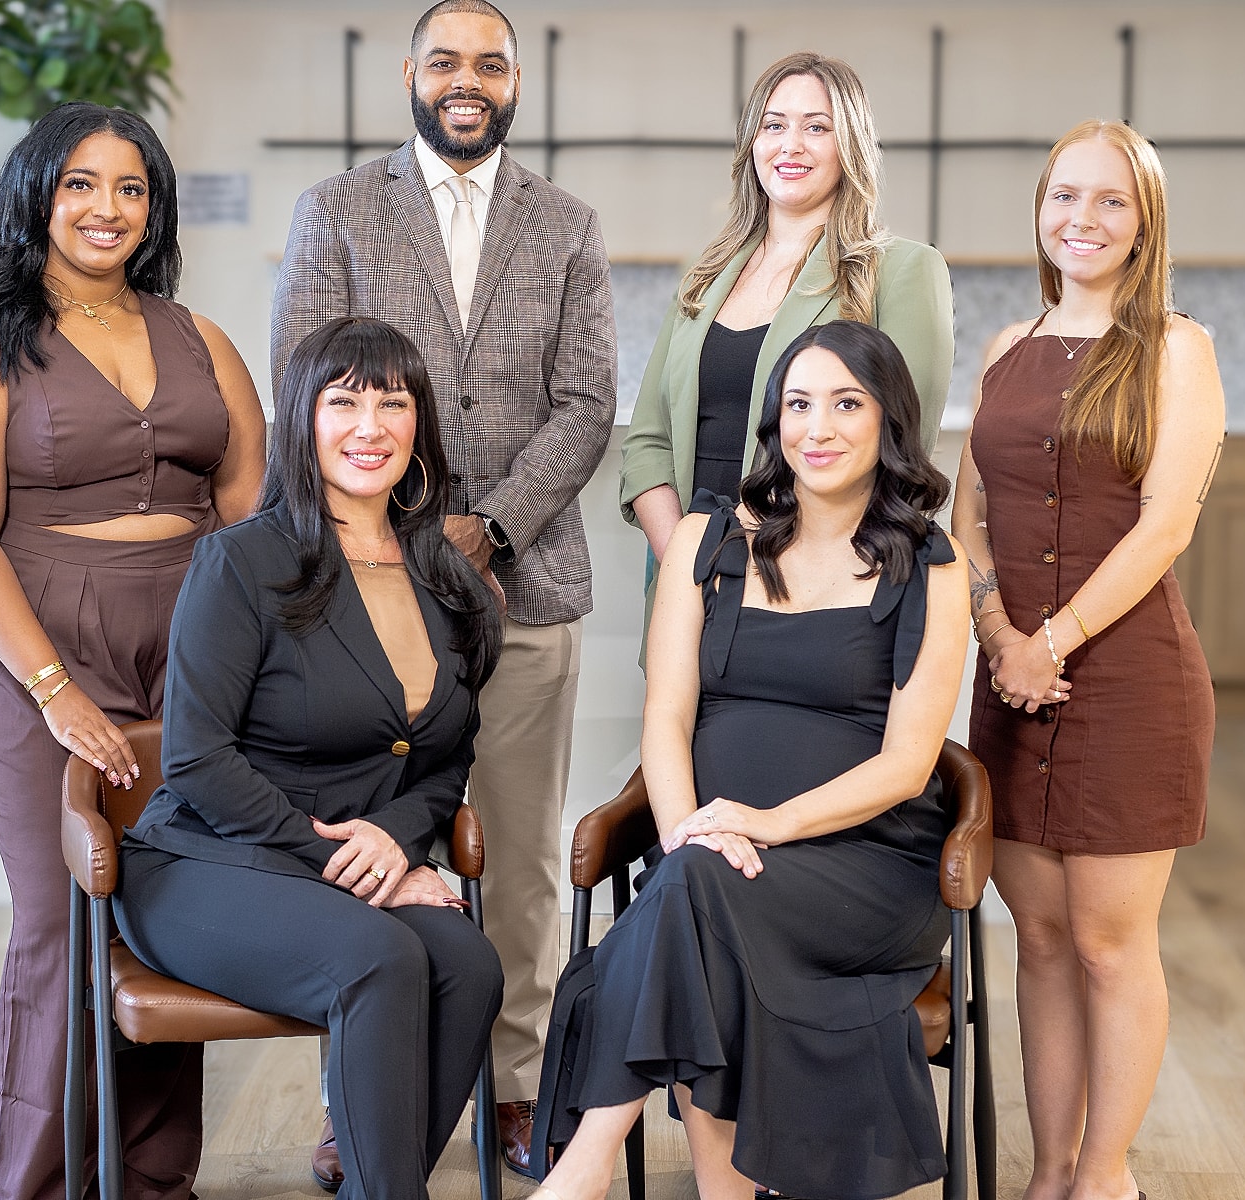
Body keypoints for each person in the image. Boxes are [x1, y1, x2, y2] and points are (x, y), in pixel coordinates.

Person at [270, 0, 616, 1182]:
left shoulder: (566, 224)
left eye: (490, 63)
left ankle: (515, 1094)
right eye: (446, 61)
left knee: (514, 862)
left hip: (527, 592)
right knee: (366, 853)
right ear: (409, 75)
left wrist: (495, 524)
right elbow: (306, 387)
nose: (467, 80)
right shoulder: (337, 211)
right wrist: (412, 533)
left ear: (514, 82)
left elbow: (587, 403)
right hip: (363, 593)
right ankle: (359, 1098)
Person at [535, 320, 971, 1200]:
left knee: (693, 899)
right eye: (799, 404)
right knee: (698, 896)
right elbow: (666, 716)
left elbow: (908, 762)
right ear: (775, 422)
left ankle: (575, 1180)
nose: (819, 427)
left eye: (847, 403)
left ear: (889, 422)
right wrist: (693, 833)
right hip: (717, 858)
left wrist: (765, 825)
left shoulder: (932, 564)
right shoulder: (710, 540)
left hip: (864, 867)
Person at [0, 102, 267, 1200]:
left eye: (129, 187)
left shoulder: (200, 337)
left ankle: (152, 1180)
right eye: (80, 183)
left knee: (170, 905)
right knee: (60, 918)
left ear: (153, 207)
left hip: (194, 640)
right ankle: (34, 1183)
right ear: (38, 196)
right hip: (44, 641)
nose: (105, 208)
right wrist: (54, 689)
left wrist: (254, 665)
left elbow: (253, 510)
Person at [116, 317, 505, 1200]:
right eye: (345, 402)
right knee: (383, 957)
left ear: (420, 427)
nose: (370, 427)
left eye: (393, 404)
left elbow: (447, 758)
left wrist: (397, 842)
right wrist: (343, 859)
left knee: (470, 964)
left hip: (357, 865)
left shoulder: (449, 576)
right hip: (206, 864)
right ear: (304, 420)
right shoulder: (241, 562)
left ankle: (378, 1178)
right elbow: (196, 759)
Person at [953, 119, 1225, 1200]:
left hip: (1127, 683)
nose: (1083, 219)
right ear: (1039, 209)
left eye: (1110, 201)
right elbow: (967, 517)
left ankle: (1103, 1178)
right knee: (1043, 945)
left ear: (1144, 222)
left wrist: (1048, 643)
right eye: (1065, 196)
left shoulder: (1175, 347)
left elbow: (1163, 527)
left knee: (1112, 945)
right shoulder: (1002, 347)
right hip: (1009, 678)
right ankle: (1045, 1173)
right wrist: (999, 642)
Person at [620, 52, 953, 565]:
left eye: (816, 127)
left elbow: (901, 457)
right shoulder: (704, 277)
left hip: (820, 585)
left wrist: (781, 575)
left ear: (849, 146)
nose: (790, 145)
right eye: (774, 125)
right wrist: (689, 566)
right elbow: (647, 443)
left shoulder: (904, 271)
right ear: (752, 140)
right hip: (686, 577)